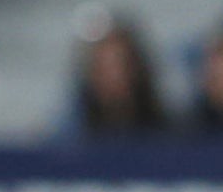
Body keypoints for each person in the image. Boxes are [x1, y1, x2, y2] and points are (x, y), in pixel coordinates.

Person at [71, 8, 168, 136]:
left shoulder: (172, 137)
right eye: (104, 69)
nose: (115, 77)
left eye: (122, 66)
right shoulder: (70, 143)